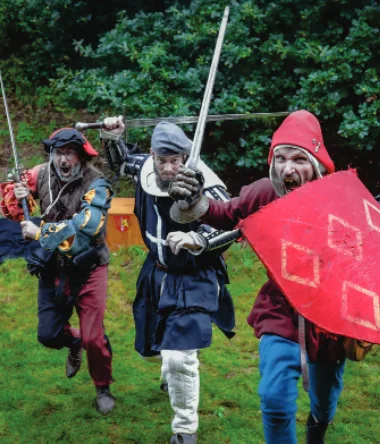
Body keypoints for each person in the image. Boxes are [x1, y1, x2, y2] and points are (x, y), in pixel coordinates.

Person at [168, 110, 347, 444]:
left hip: (330, 315)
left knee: (326, 400)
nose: (288, 169)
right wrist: (194, 199)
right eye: (280, 158)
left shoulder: (340, 199)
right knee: (275, 397)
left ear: (317, 162)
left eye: (299, 159)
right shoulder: (265, 193)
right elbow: (226, 213)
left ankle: (318, 428)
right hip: (281, 308)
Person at [100, 117, 236, 444]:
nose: (169, 168)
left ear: (186, 158)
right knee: (153, 348)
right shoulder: (146, 167)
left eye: (176, 160)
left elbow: (233, 223)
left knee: (180, 356)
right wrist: (112, 135)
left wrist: (200, 242)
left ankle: (185, 430)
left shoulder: (208, 184)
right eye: (163, 160)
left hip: (194, 275)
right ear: (153, 155)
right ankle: (171, 376)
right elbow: (119, 162)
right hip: (157, 271)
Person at [0, 128, 115, 414]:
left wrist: (40, 232)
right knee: (48, 335)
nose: (63, 160)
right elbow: (11, 208)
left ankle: (102, 387)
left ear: (81, 155)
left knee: (94, 338)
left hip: (89, 266)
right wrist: (19, 194)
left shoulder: (97, 184)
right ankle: (74, 341)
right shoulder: (40, 173)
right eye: (58, 153)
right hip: (54, 266)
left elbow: (87, 229)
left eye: (69, 153)